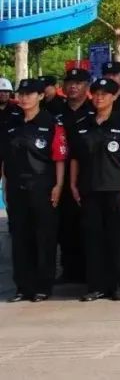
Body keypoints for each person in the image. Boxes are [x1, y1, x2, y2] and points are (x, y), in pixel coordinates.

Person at [69, 78, 120, 302]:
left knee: (117, 239)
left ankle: (119, 286)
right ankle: (96, 286)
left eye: (105, 94)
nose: (99, 98)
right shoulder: (83, 123)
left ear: (114, 96)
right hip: (89, 188)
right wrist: (73, 184)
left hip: (116, 188)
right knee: (93, 239)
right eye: (96, 94)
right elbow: (75, 158)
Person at [2, 78, 67, 302]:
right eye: (21, 94)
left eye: (29, 94)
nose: (24, 98)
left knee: (44, 237)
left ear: (40, 96)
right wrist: (4, 185)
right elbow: (5, 158)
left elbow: (59, 158)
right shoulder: (11, 123)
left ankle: (43, 286)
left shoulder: (51, 123)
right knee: (20, 237)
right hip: (16, 187)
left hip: (43, 187)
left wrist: (58, 185)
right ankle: (23, 286)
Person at [54, 68, 93, 284]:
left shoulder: (94, 111)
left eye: (78, 83)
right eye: (69, 82)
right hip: (61, 175)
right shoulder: (56, 112)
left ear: (87, 87)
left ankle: (91, 270)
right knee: (65, 225)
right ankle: (69, 270)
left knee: (89, 225)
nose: (73, 87)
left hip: (89, 175)